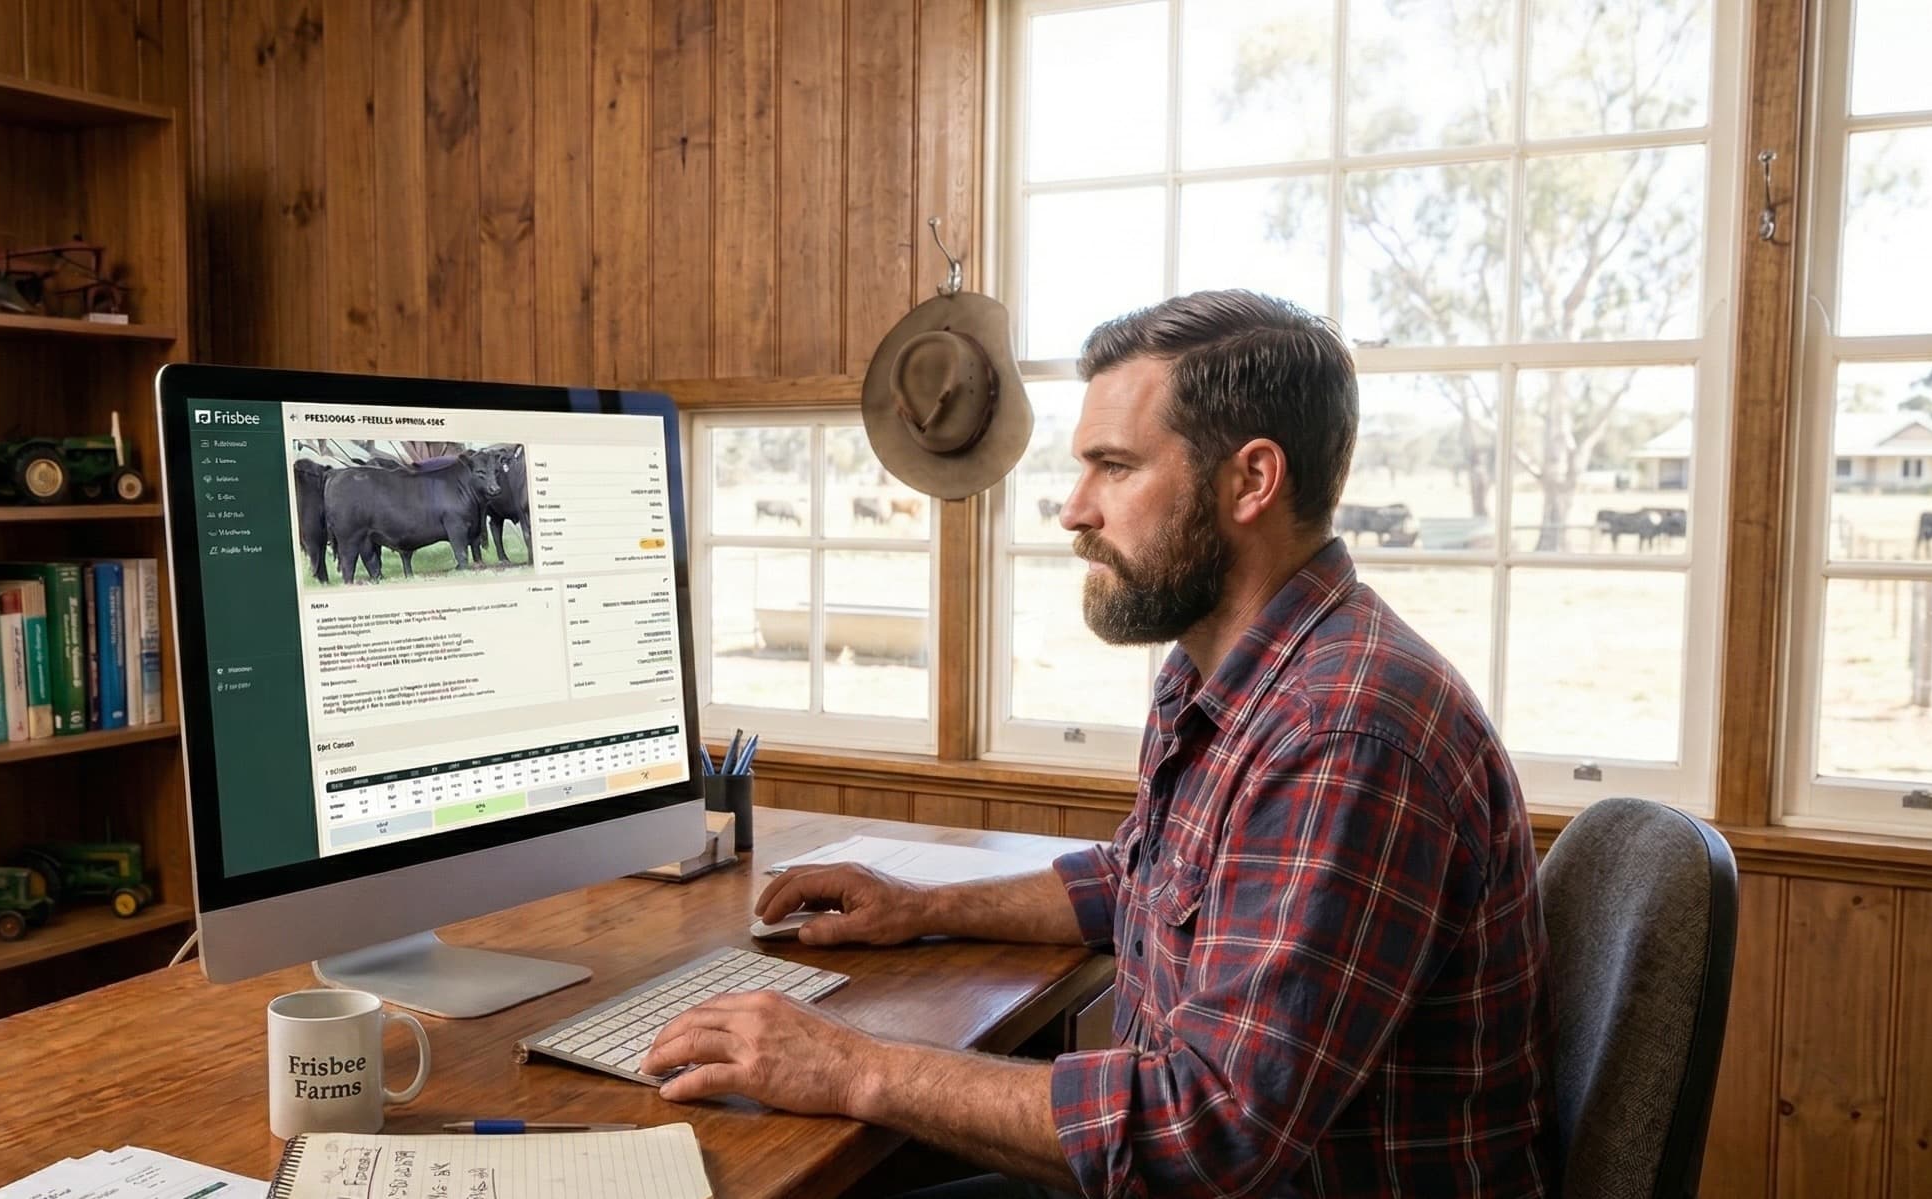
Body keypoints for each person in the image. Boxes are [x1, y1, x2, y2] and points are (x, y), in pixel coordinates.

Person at [643, 291, 1556, 1198]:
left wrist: (853, 1067)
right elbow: (1143, 880)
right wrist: (919, 904)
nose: (1075, 509)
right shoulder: (1221, 669)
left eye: (1114, 467)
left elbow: (1209, 1133)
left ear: (1252, 480)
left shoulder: (1344, 734)